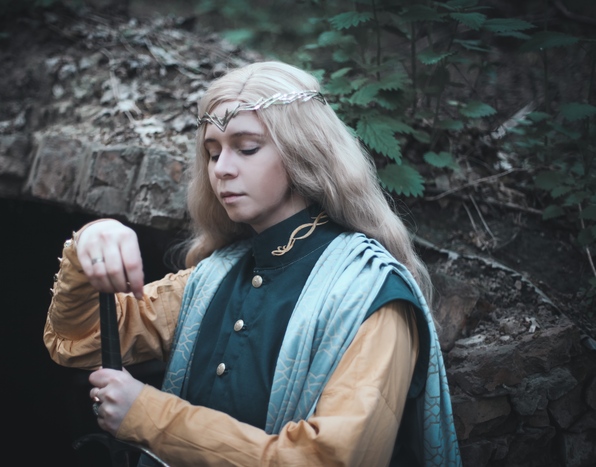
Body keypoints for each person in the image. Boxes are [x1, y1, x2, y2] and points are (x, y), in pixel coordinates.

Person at [44, 61, 461, 466]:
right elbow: (77, 341)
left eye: (246, 148)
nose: (222, 170)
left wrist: (149, 416)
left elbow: (327, 460)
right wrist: (89, 242)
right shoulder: (213, 278)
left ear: (302, 152)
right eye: (212, 153)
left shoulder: (370, 296)